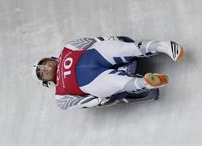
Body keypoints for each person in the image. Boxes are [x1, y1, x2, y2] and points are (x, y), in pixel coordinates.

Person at [33, 36, 184, 110]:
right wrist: (98, 101)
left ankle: (163, 46)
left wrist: (111, 39)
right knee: (117, 83)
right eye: (42, 73)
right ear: (45, 81)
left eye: (44, 64)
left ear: (49, 59)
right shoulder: (60, 97)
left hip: (95, 55)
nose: (45, 69)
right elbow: (79, 103)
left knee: (124, 49)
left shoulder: (67, 49)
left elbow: (92, 40)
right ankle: (146, 82)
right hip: (92, 82)